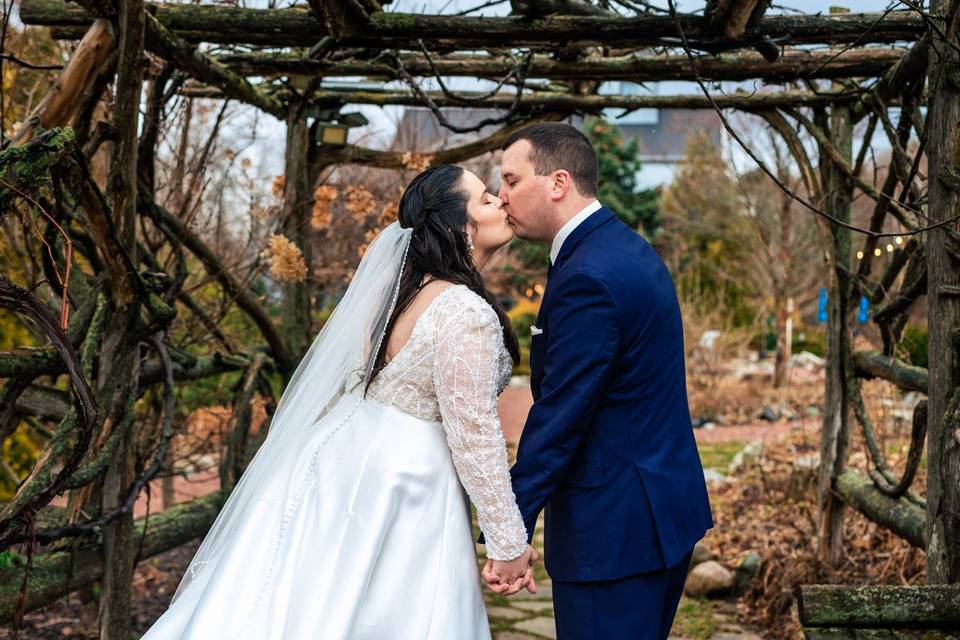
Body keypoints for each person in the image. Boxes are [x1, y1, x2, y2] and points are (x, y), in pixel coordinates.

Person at [141, 165, 537, 639]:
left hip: (347, 459)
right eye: (485, 199)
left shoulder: (403, 295)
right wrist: (508, 541)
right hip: (405, 484)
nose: (499, 201)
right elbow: (474, 436)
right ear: (457, 225)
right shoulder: (465, 311)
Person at [481, 123, 714, 640]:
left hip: (614, 533)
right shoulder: (624, 248)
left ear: (558, 182)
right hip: (656, 514)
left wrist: (506, 529)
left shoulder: (588, 276)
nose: (502, 196)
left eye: (512, 180)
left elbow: (561, 417)